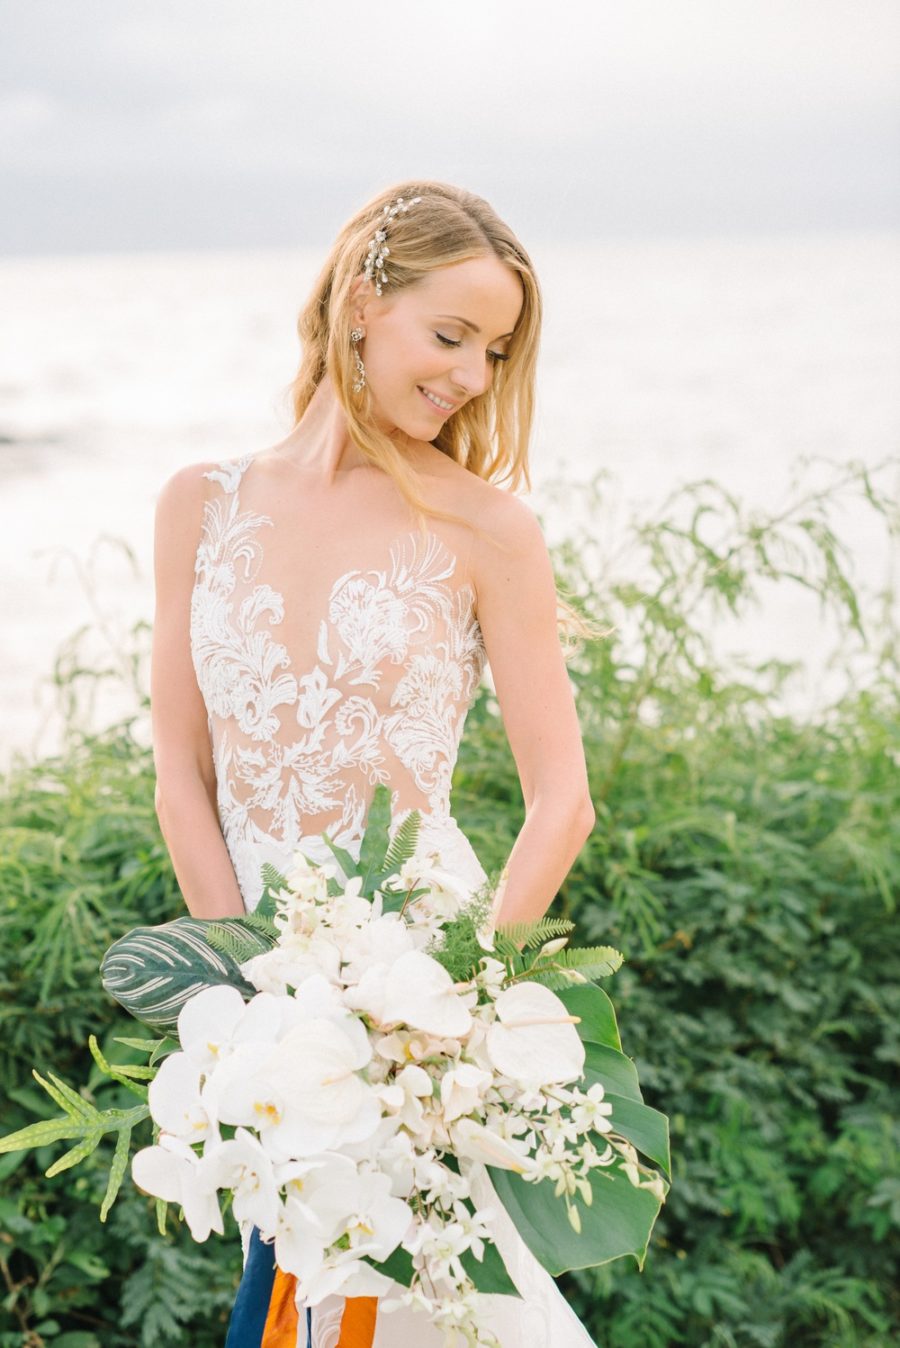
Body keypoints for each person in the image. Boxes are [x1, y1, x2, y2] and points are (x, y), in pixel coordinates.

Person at [150, 180, 600, 1347]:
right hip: (261, 1006)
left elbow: (564, 799)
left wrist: (461, 1010)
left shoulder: (488, 529)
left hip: (420, 996)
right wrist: (239, 1000)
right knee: (293, 1291)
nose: (471, 376)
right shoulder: (198, 505)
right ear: (362, 300)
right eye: (450, 335)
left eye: (495, 351)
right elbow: (183, 778)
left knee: (417, 1299)